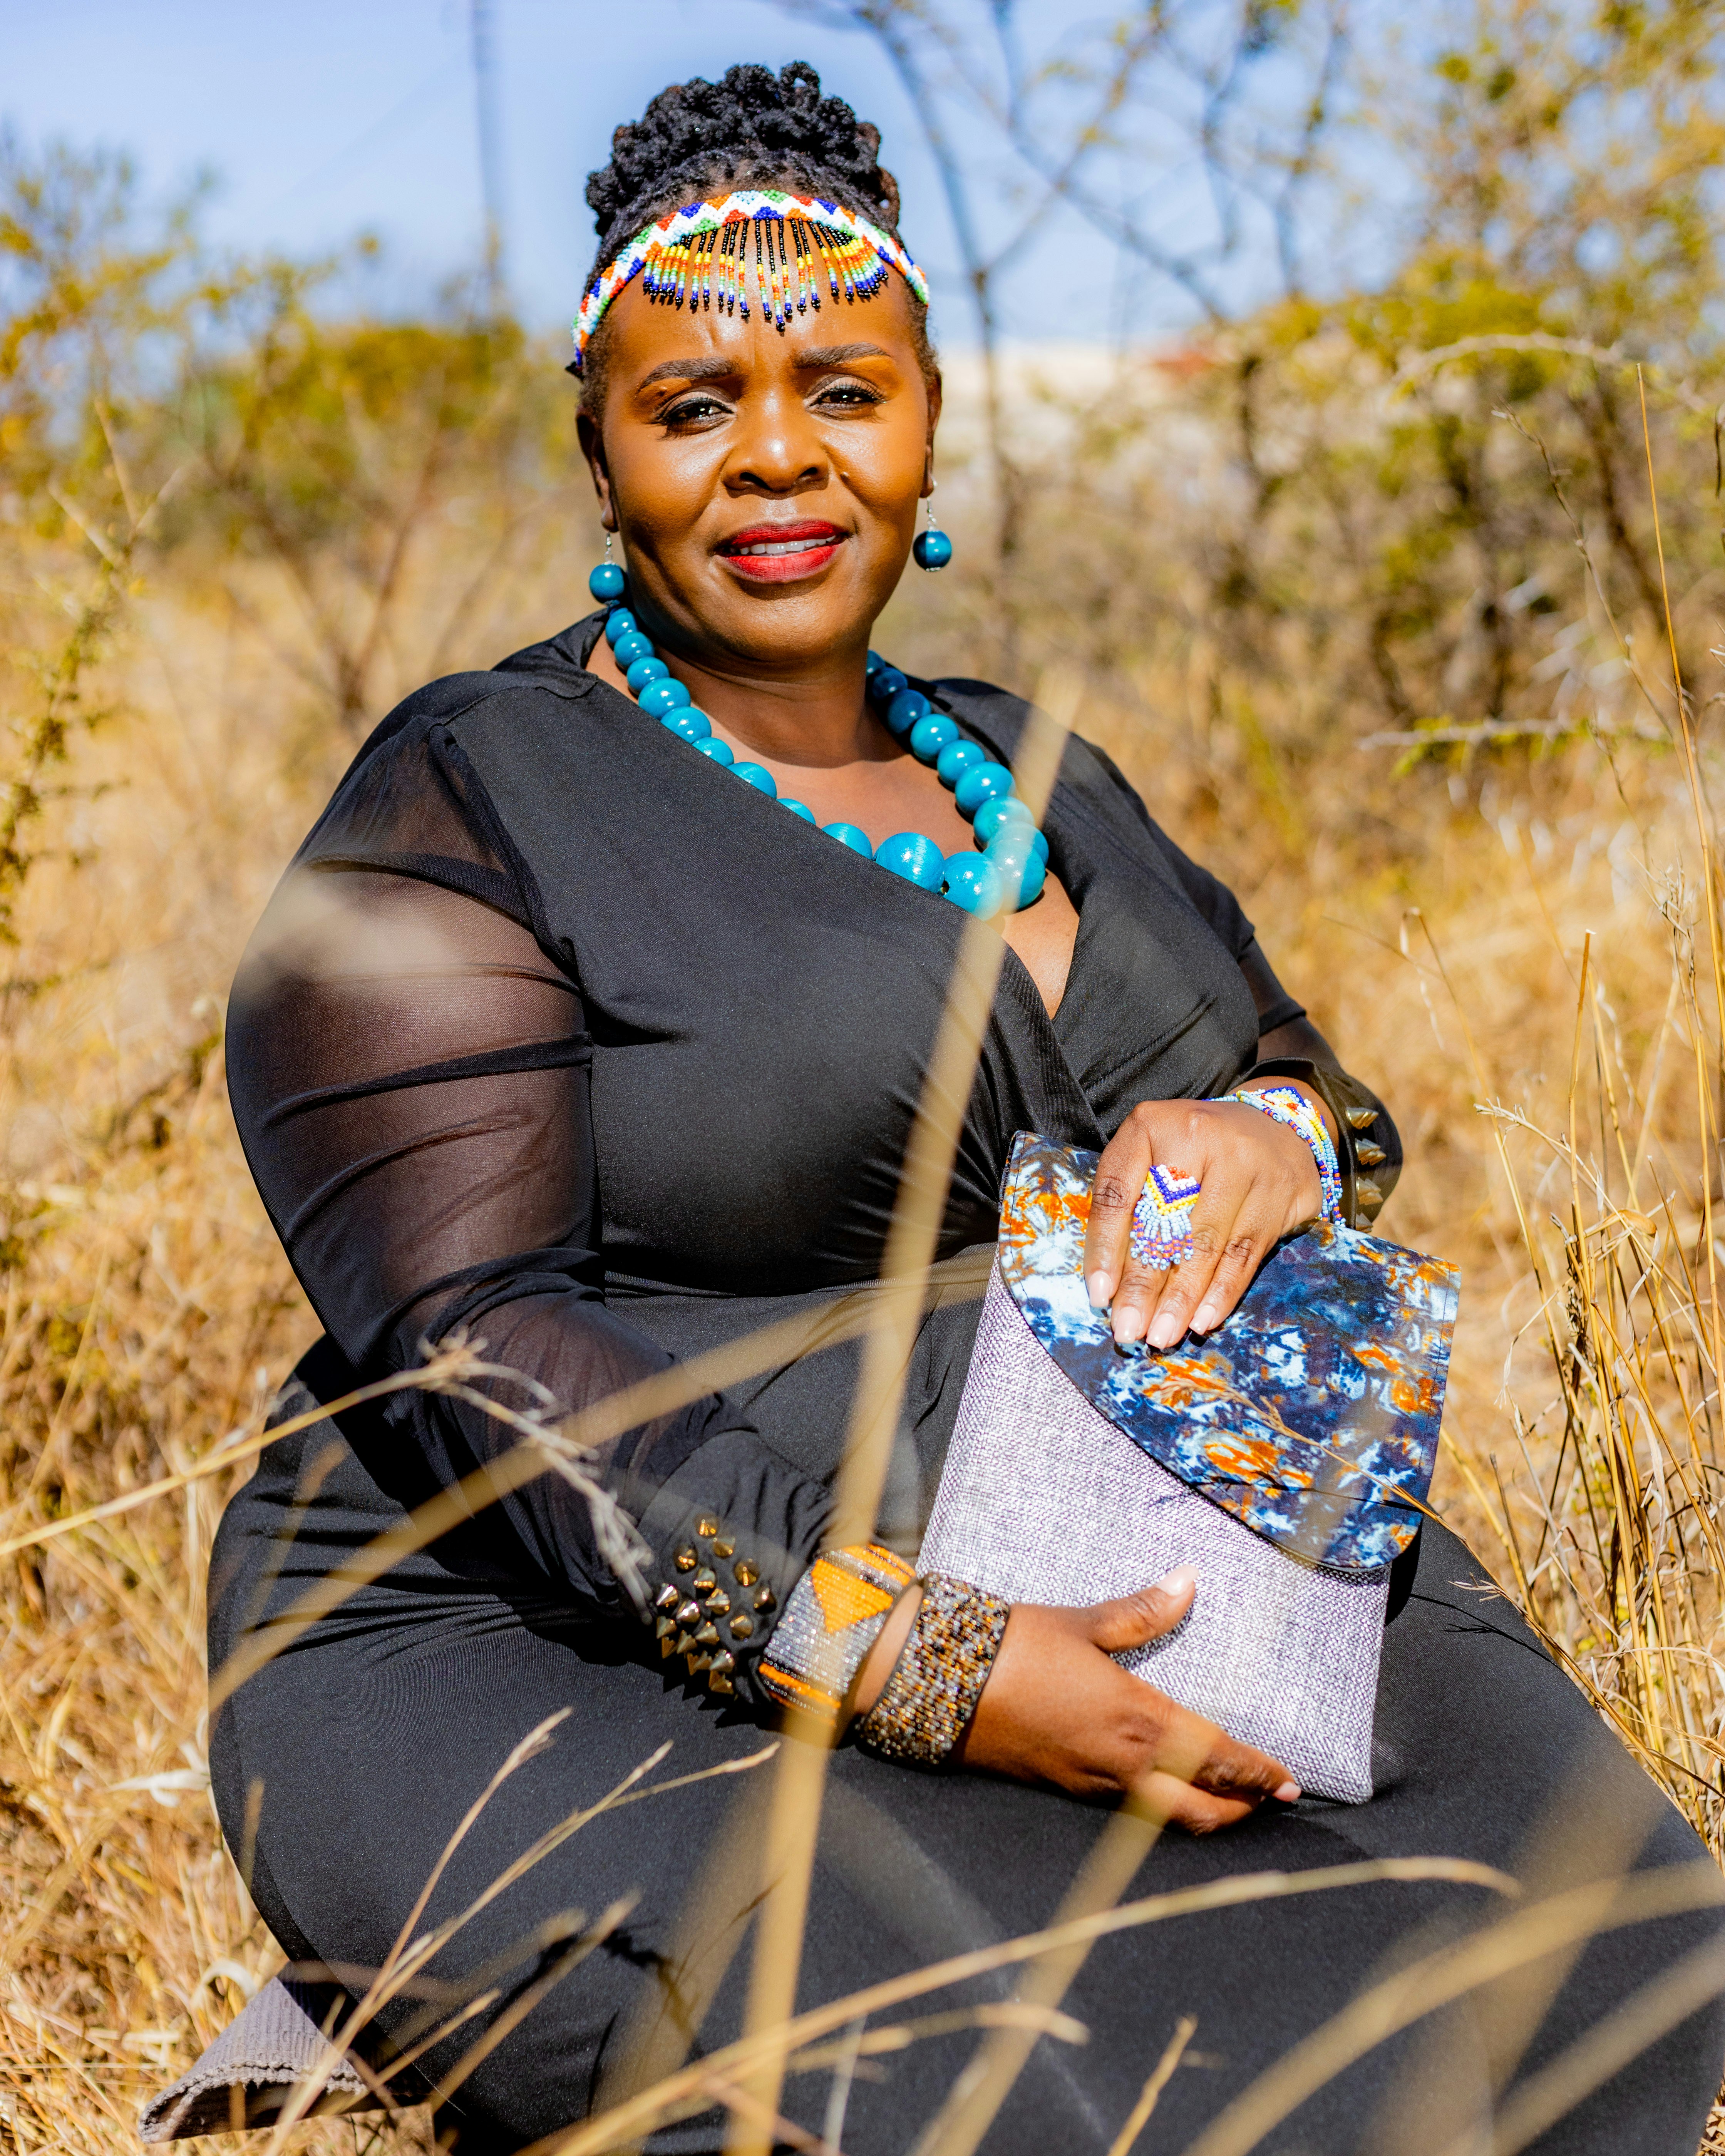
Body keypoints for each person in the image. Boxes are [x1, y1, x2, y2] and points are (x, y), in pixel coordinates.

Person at [210, 60, 1725, 2155]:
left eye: (843, 388)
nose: (776, 459)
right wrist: (918, 1658)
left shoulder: (1031, 763)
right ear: (603, 456)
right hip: (558, 1612)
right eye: (691, 407)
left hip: (1114, 1517)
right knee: (989, 2085)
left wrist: (1266, 1146)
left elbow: (1295, 1080)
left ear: (930, 423)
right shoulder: (467, 795)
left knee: (1605, 1961)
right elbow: (475, 1355)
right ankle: (388, 2001)